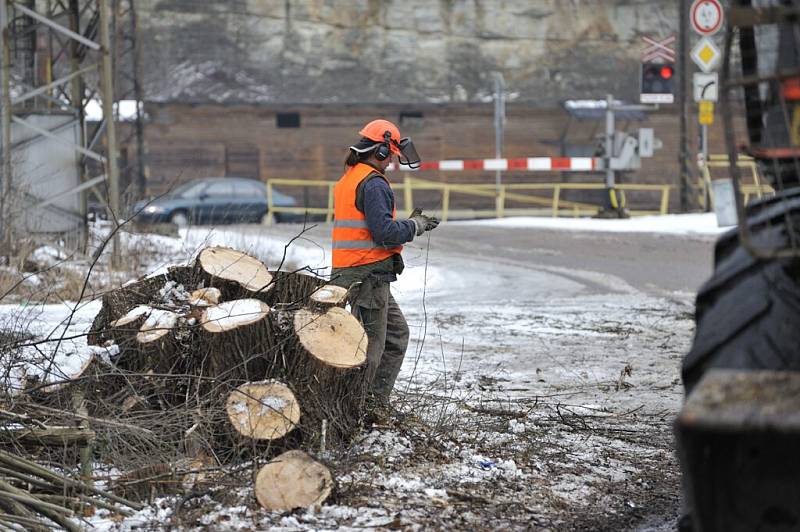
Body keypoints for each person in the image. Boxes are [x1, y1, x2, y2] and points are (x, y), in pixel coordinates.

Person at [330, 119, 439, 405]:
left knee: (396, 336)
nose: (391, 161)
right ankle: (357, 408)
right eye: (389, 155)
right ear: (379, 151)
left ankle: (375, 403)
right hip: (366, 275)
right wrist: (415, 225)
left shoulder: (351, 177)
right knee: (371, 349)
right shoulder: (373, 183)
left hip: (360, 273)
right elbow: (386, 234)